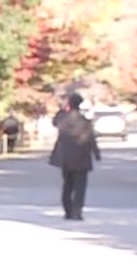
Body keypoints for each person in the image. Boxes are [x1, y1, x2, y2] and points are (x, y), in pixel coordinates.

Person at [48, 92, 101, 220]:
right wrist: (96, 153)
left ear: (69, 104)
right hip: (82, 156)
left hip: (65, 157)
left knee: (67, 184)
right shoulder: (85, 122)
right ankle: (77, 210)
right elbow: (91, 139)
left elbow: (54, 122)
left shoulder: (62, 119)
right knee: (80, 186)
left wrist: (62, 108)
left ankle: (68, 210)